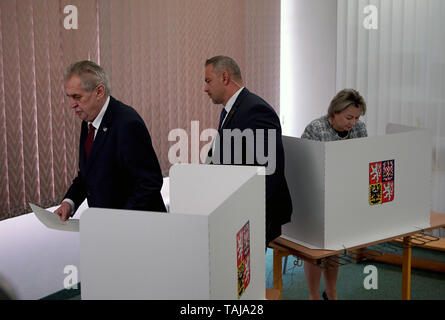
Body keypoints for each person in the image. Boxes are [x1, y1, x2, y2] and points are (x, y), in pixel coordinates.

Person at [54, 60, 166, 221]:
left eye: (77, 97)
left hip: (137, 229)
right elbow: (88, 173)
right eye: (69, 97)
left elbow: (149, 182)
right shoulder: (88, 122)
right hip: (108, 228)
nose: (71, 104)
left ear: (99, 91)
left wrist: (119, 222)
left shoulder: (127, 123)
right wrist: (69, 203)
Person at [204, 55, 292, 246]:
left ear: (225, 78)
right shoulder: (231, 108)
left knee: (249, 273)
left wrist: (254, 216)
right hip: (237, 207)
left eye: (208, 81)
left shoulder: (256, 110)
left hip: (254, 213)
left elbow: (269, 170)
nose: (205, 88)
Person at [301, 88, 367, 300]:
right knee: (317, 250)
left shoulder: (360, 129)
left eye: (356, 117)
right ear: (334, 112)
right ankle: (313, 295)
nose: (353, 123)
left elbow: (363, 161)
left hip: (343, 197)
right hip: (316, 197)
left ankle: (331, 292)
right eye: (349, 117)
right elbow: (302, 166)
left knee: (334, 248)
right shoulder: (316, 129)